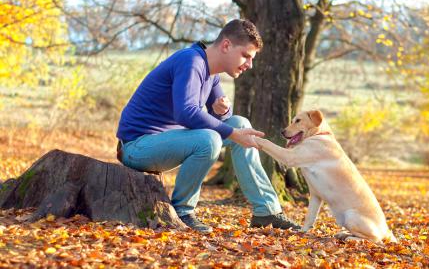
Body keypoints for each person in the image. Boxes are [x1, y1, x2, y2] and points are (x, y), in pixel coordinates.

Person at [116, 19, 300, 233]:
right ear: (226, 45)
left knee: (241, 123)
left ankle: (266, 210)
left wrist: (221, 111)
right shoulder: (191, 61)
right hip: (137, 147)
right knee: (211, 138)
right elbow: (186, 113)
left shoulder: (211, 74)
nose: (249, 64)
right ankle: (183, 211)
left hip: (171, 142)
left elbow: (221, 119)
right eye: (246, 56)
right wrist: (230, 132)